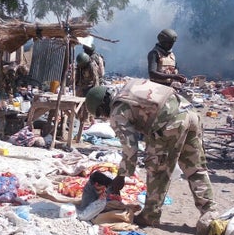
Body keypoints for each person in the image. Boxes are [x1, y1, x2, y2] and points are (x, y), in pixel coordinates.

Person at [84, 80, 217, 227]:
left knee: (157, 170)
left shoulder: (117, 110)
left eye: (101, 114)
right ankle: (209, 213)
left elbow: (130, 148)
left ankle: (149, 216)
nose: (104, 117)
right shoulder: (128, 89)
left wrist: (121, 176)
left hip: (171, 123)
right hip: (190, 112)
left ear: (103, 105)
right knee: (195, 169)